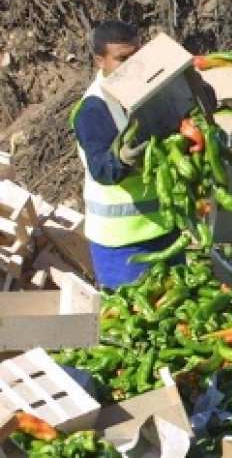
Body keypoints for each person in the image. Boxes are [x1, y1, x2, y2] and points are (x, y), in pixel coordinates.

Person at [72, 20, 183, 289]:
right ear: (100, 61)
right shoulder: (93, 109)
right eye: (122, 59)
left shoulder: (150, 86)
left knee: (177, 319)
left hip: (166, 232)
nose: (132, 65)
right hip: (120, 247)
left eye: (136, 55)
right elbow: (101, 170)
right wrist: (122, 158)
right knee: (131, 322)